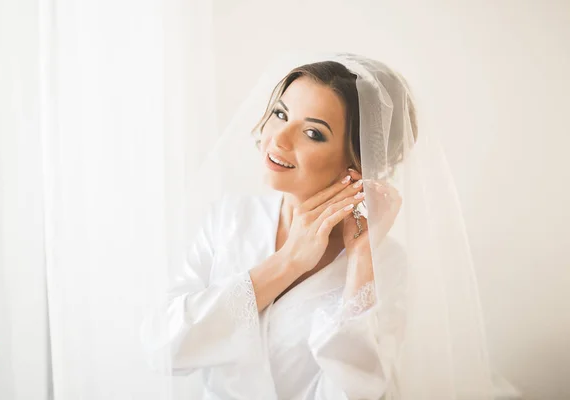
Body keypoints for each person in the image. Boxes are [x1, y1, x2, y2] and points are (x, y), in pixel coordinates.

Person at [141, 53, 494, 399]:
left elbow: (359, 390)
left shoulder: (385, 263)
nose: (278, 138)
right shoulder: (229, 220)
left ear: (356, 163)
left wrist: (360, 257)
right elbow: (162, 347)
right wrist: (287, 262)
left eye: (313, 133)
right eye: (280, 114)